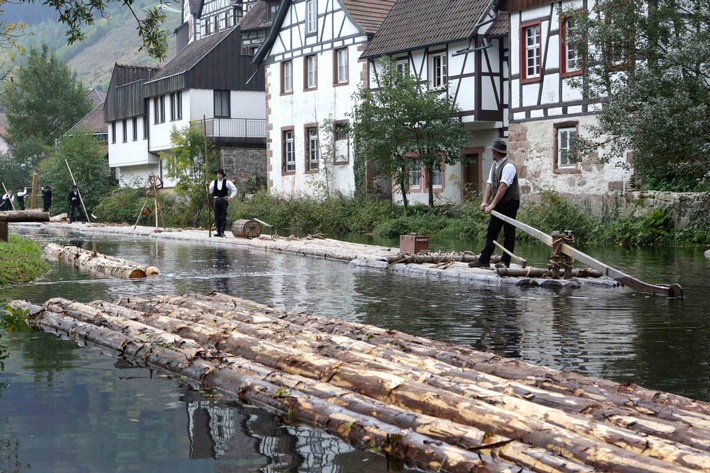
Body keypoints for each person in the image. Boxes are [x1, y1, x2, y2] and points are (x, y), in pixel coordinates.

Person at [469, 140, 520, 268]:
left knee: (509, 232)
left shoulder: (509, 166)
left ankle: (505, 261)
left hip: (510, 203)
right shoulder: (495, 165)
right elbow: (490, 184)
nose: (491, 152)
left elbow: (503, 186)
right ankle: (484, 259)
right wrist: (485, 201)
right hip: (499, 202)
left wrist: (492, 204)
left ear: (496, 152)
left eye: (492, 150)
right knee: (492, 231)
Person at [208, 168, 237, 237]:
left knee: (223, 216)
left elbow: (234, 189)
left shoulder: (227, 182)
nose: (218, 175)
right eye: (217, 174)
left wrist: (231, 197)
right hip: (216, 200)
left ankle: (222, 231)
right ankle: (218, 231)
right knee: (216, 216)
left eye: (220, 174)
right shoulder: (213, 182)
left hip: (224, 200)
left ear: (222, 175)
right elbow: (210, 192)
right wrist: (207, 187)